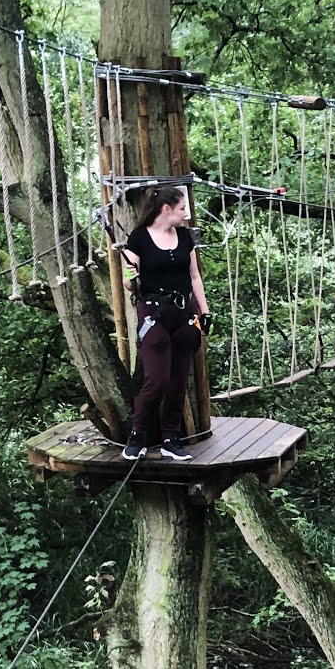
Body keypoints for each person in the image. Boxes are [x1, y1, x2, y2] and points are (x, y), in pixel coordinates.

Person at [120, 184, 209, 461]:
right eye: (182, 209)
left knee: (177, 380)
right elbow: (128, 283)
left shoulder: (184, 238)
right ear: (166, 209)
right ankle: (138, 435)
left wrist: (205, 312)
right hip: (155, 314)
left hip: (185, 315)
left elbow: (194, 277)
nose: (186, 214)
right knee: (156, 380)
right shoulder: (139, 239)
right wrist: (131, 275)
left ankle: (171, 437)